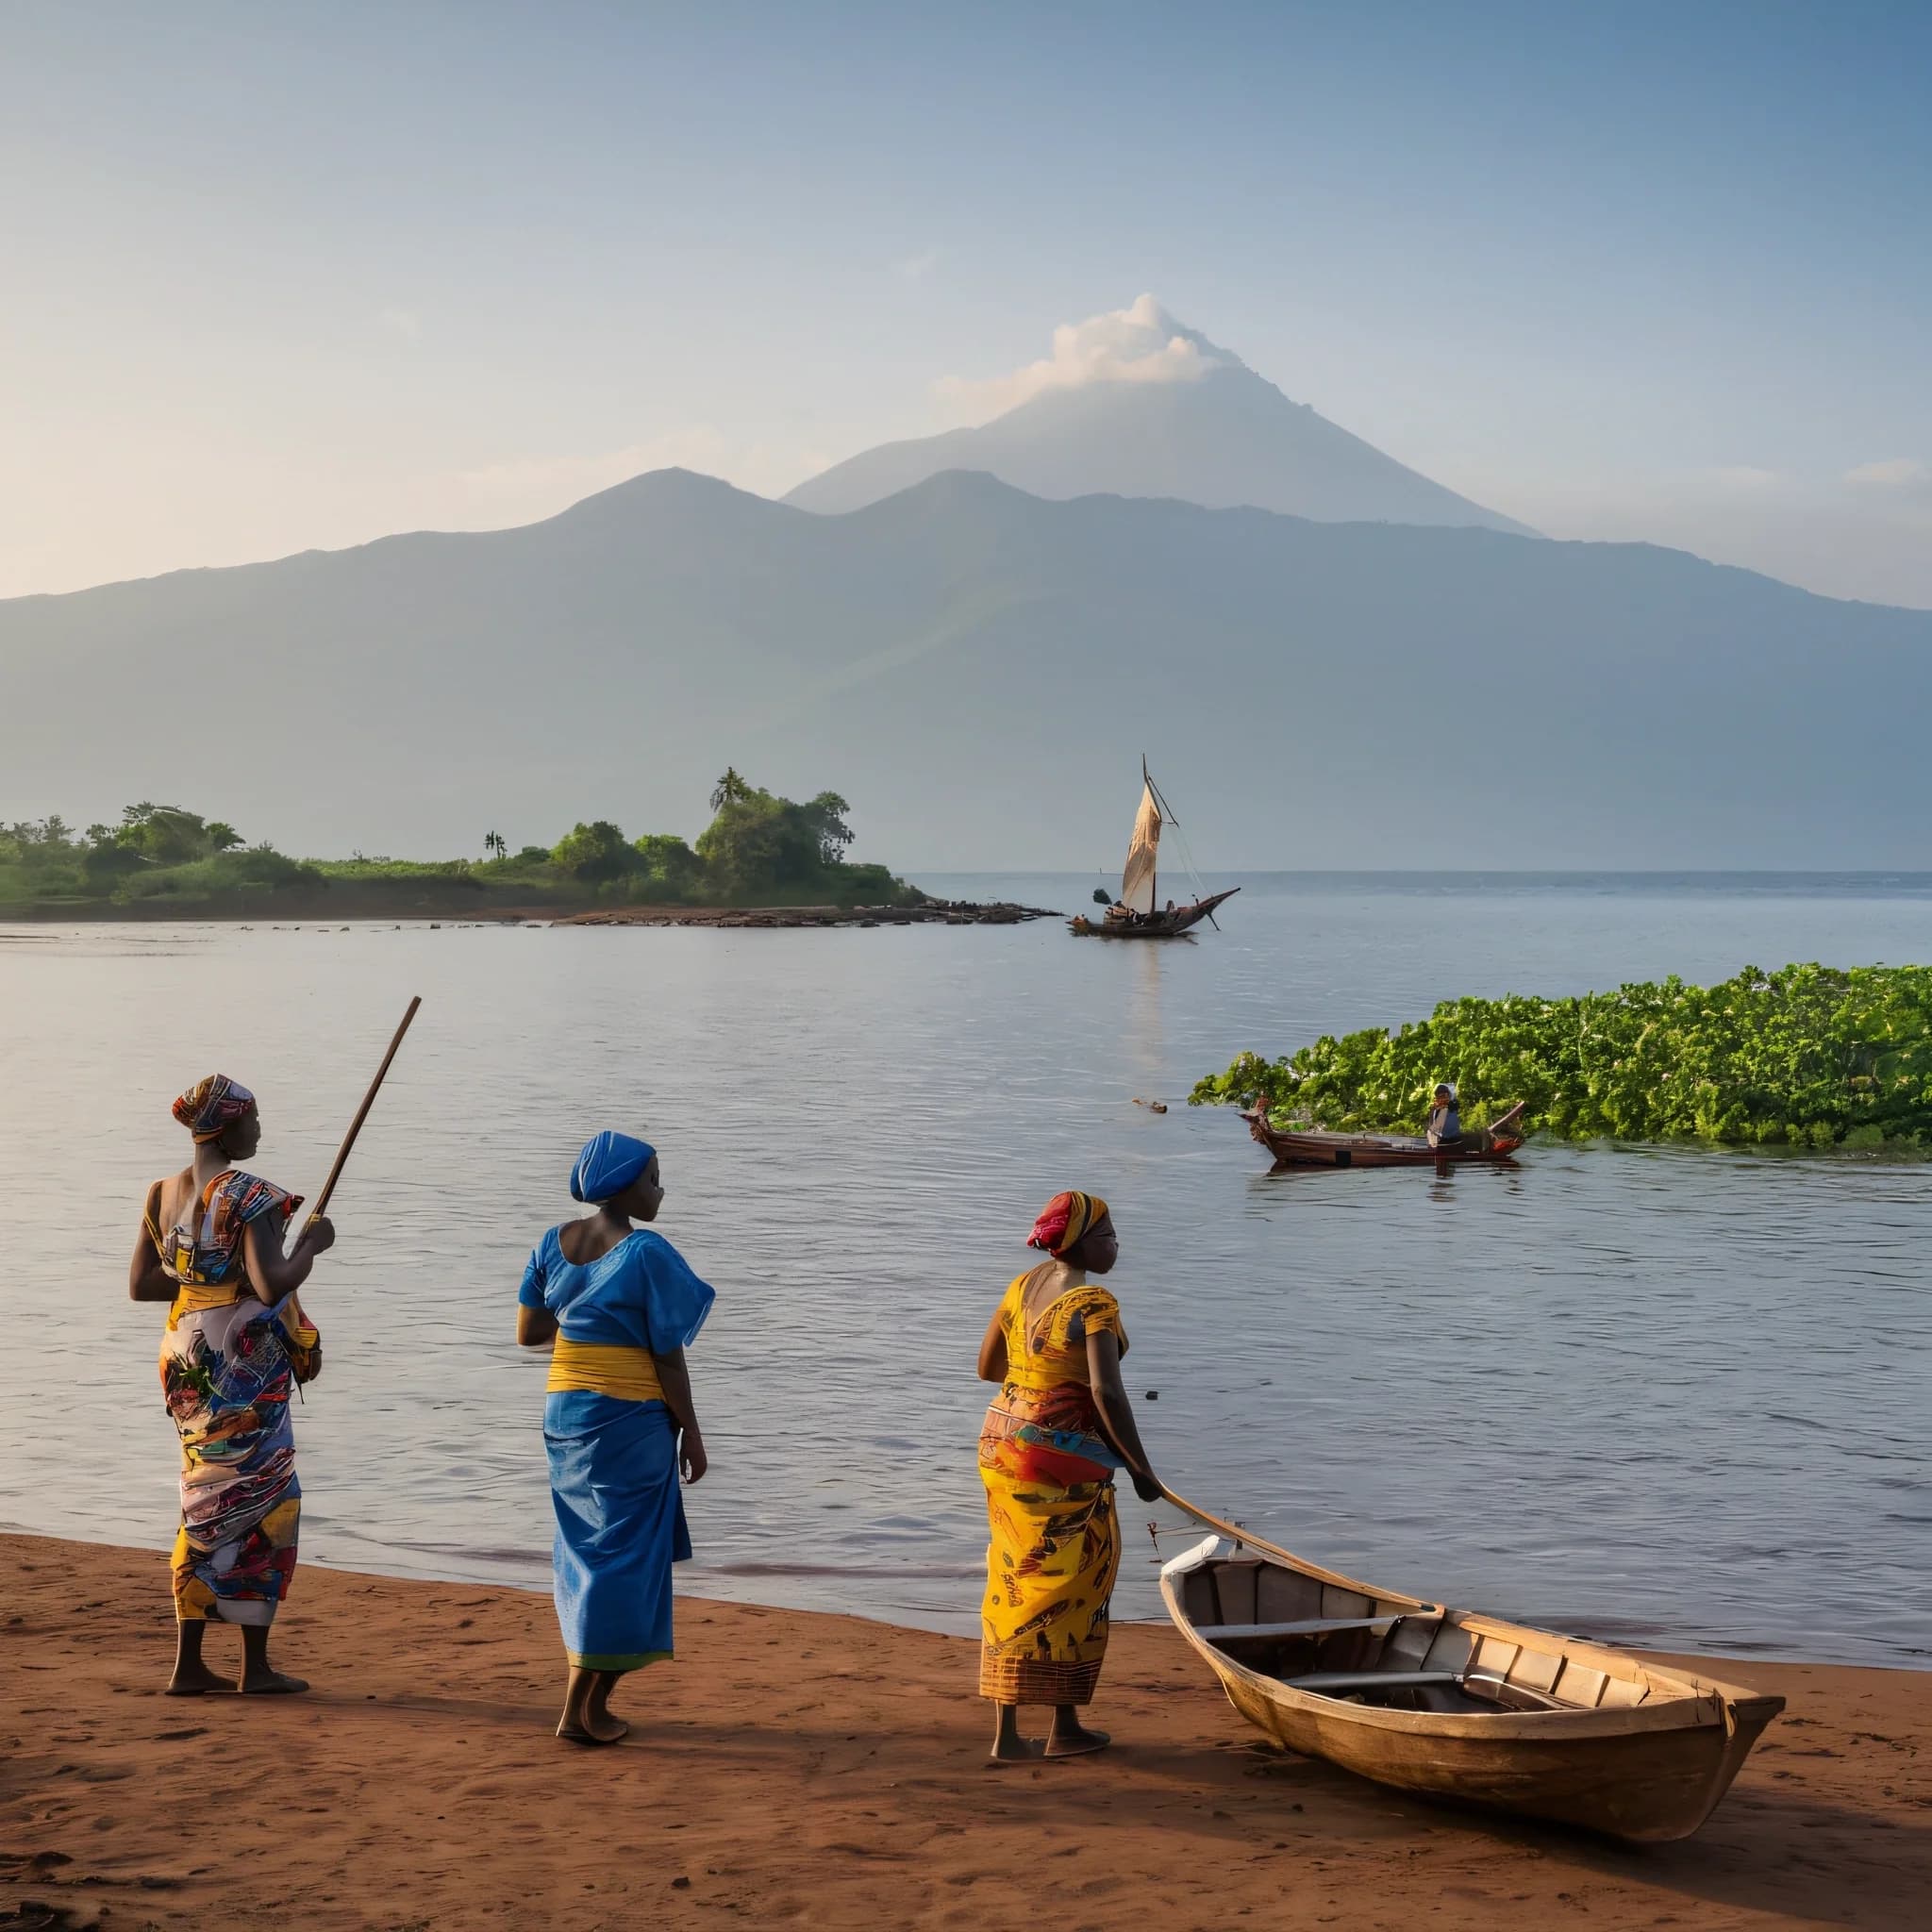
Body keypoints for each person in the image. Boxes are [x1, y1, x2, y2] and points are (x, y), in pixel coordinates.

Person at [128, 1074, 335, 1695]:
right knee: (264, 1492)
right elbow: (272, 1285)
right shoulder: (250, 1194)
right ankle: (256, 1667)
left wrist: (207, 1280)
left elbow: (142, 1284)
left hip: (185, 1353)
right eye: (252, 1119)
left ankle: (189, 1664)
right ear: (225, 1127)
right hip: (241, 1358)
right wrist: (312, 1247)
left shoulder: (161, 1193)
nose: (259, 1129)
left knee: (204, 1493)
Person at [516, 1131, 713, 1745]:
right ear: (624, 1186)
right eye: (653, 1178)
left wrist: (584, 1322)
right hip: (628, 1417)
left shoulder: (553, 1242)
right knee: (626, 1554)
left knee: (586, 1549)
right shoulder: (646, 1252)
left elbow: (529, 1332)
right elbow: (669, 1357)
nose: (660, 1190)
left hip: (565, 1414)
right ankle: (580, 1706)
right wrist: (693, 1434)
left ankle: (588, 1701)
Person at [975, 1190, 1160, 1763]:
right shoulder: (1094, 1304)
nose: (1116, 1245)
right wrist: (1141, 1468)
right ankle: (1064, 1726)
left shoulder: (1021, 1287)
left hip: (1002, 1449)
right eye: (1109, 1236)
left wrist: (1038, 1377)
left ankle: (1009, 1734)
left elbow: (988, 1368)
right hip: (1060, 1464)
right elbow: (1107, 1393)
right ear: (1081, 1242)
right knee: (1076, 1584)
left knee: (1015, 1577)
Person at [1425, 1082, 1462, 1148]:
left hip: (1452, 1141)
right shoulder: (1438, 1108)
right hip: (1447, 1140)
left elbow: (1434, 1130)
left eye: (1444, 1095)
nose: (1442, 1097)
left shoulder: (1451, 1106)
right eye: (1440, 1095)